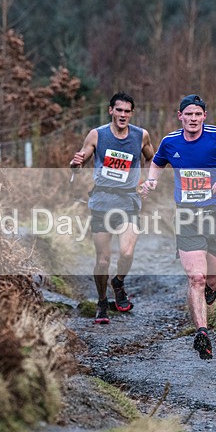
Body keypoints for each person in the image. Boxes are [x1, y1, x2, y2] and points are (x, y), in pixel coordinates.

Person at [140, 94, 216, 359]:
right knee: (196, 278)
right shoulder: (170, 141)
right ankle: (202, 332)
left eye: (197, 115)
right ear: (180, 117)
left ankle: (210, 291)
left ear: (204, 117)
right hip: (187, 218)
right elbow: (157, 161)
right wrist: (152, 181)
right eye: (187, 114)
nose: (192, 119)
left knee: (212, 280)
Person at [70, 92, 155, 324]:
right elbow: (82, 158)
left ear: (132, 113)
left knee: (126, 253)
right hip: (102, 203)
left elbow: (153, 159)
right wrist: (75, 163)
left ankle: (118, 282)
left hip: (128, 202)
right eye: (119, 110)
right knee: (103, 260)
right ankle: (101, 302)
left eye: (127, 111)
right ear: (111, 111)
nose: (123, 115)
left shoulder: (141, 135)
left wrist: (147, 181)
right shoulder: (97, 135)